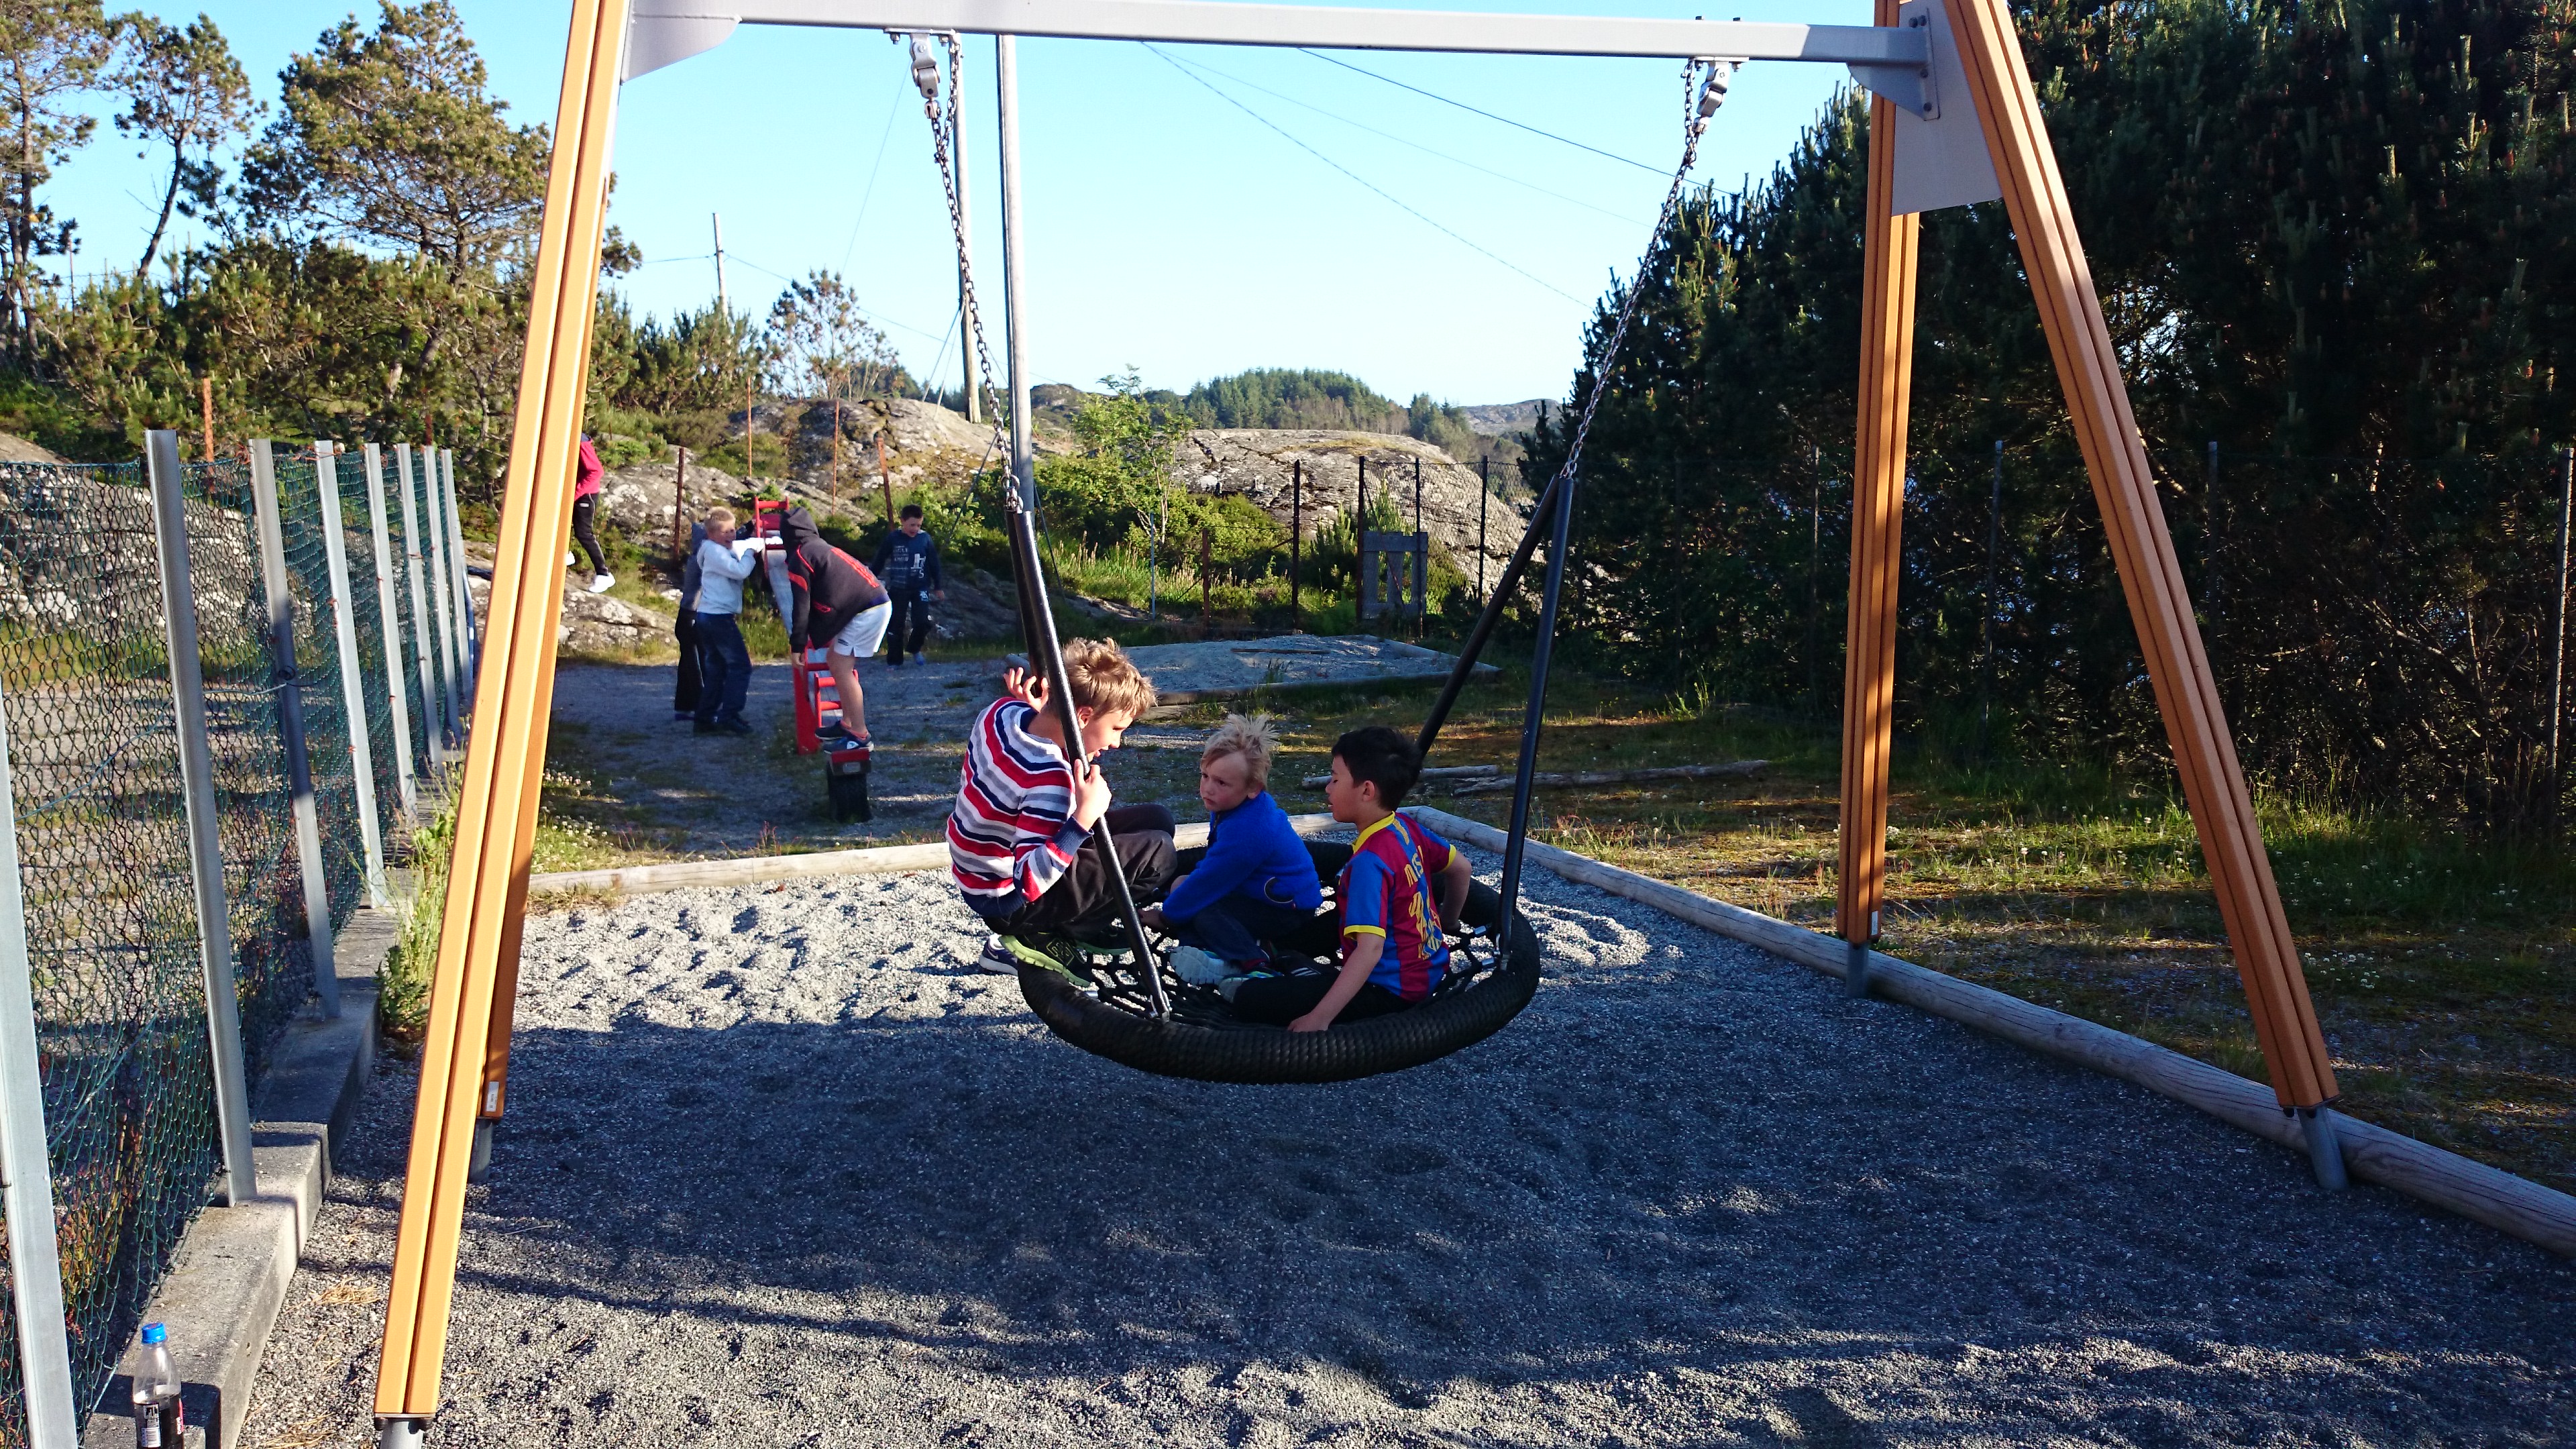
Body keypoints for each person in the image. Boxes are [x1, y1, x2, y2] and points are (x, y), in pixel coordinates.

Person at [1223, 725, 1470, 1030]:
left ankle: (1293, 973)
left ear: (1366, 791)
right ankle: (1277, 955)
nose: (1328, 787)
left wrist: (1320, 1018)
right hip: (1427, 968)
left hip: (1389, 991)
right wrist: (1448, 921)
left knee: (1250, 999)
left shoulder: (1369, 862)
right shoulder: (1405, 826)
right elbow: (1462, 869)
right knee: (1339, 917)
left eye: (1336, 779)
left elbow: (1370, 950)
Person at [948, 639, 1175, 969]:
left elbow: (1027, 755)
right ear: (1083, 716)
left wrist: (1036, 710)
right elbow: (1028, 880)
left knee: (1158, 820)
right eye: (1116, 729)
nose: (1117, 742)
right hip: (1009, 901)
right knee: (1159, 854)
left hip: (977, 871)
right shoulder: (1050, 777)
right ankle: (1061, 930)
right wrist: (1083, 818)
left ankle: (1073, 920)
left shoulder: (1002, 713)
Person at [1138, 714, 1322, 983]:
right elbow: (1215, 864)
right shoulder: (1235, 807)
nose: (1208, 788)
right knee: (1184, 888)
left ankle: (1253, 962)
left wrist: (1166, 917)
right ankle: (1223, 951)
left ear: (1253, 788)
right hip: (1260, 895)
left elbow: (1211, 881)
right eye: (1205, 776)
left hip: (1286, 912)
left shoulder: (1250, 829)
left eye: (1221, 783)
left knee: (1202, 909)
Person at [780, 506, 891, 750]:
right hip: (873, 602)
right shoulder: (820, 547)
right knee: (834, 659)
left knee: (841, 666)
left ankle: (860, 735)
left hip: (867, 609)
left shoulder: (800, 557)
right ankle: (848, 723)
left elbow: (801, 605)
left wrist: (797, 645)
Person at [689, 506, 763, 736]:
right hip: (717, 617)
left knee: (718, 669)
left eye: (733, 530)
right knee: (740, 666)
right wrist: (751, 553)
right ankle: (729, 715)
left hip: (709, 616)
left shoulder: (716, 549)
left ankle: (704, 718)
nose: (731, 535)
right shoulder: (714, 551)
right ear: (712, 534)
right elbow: (739, 571)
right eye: (726, 532)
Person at [870, 503, 945, 667]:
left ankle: (914, 647)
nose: (915, 529)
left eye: (918, 525)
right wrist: (870, 579)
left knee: (922, 621)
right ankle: (895, 660)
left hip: (920, 586)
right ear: (903, 521)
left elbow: (934, 563)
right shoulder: (893, 538)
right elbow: (880, 559)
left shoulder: (925, 539)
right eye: (912, 525)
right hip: (898, 587)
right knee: (895, 624)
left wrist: (938, 586)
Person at [672, 517, 707, 722]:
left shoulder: (697, 558)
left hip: (687, 617)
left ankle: (684, 707)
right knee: (697, 666)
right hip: (691, 618)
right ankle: (704, 708)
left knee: (688, 663)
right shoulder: (700, 561)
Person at [571, 433, 612, 593]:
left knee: (584, 534)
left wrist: (575, 494)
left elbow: (596, 471)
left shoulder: (580, 442)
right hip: (576, 492)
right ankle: (564, 553)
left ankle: (604, 574)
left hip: (585, 495)